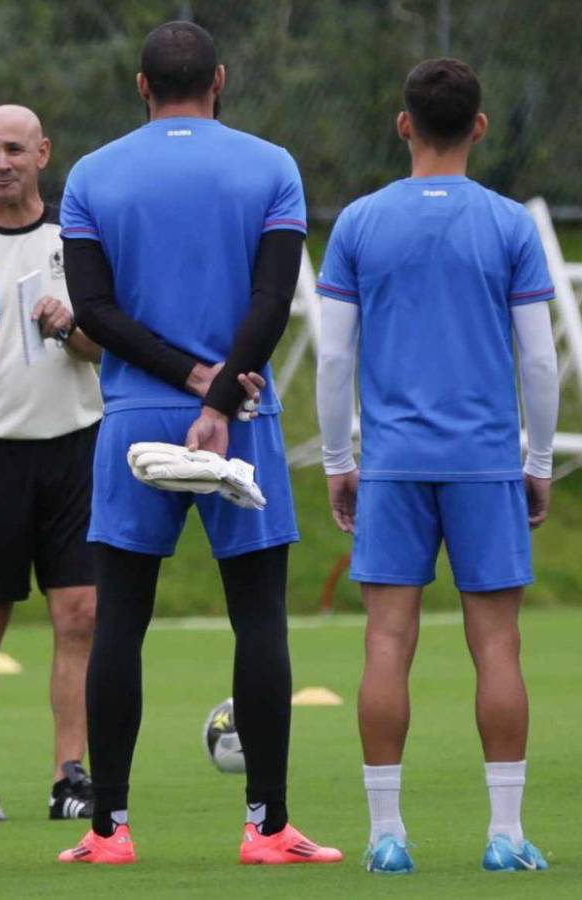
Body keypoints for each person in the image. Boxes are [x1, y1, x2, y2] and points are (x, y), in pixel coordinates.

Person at [55, 21, 342, 866]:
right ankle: (268, 827)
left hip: (137, 415)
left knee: (120, 624)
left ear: (141, 87)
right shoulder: (270, 164)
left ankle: (108, 830)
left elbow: (94, 311)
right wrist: (219, 390)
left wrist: (183, 381)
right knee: (259, 619)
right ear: (218, 80)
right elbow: (273, 295)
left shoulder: (93, 173)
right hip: (244, 408)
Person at [316, 58, 558, 875]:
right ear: (480, 127)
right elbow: (540, 365)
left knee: (387, 642)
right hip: (485, 464)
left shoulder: (357, 223)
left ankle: (388, 837)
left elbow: (333, 360)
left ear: (404, 124)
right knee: (498, 648)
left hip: (392, 467)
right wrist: (538, 462)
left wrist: (339, 460)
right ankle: (504, 834)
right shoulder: (510, 226)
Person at [0, 104, 103, 823]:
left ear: (43, 152)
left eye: (15, 149)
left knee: (80, 613)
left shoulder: (80, 236)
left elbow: (113, 345)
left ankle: (71, 774)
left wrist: (71, 328)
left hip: (75, 444)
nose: (2, 162)